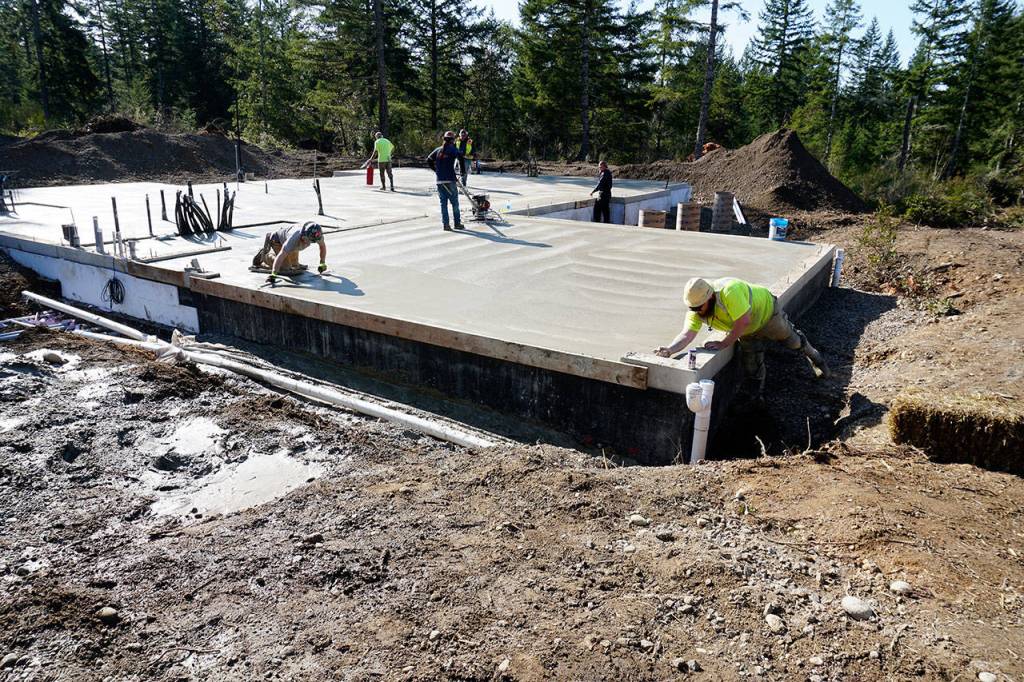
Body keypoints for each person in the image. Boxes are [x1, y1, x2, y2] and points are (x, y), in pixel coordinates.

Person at [654, 277, 830, 394]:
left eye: (699, 307)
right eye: (693, 308)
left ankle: (815, 357)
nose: (696, 311)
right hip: (747, 330)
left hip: (767, 315)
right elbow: (687, 334)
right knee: (752, 364)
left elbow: (743, 321)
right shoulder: (697, 308)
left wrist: (724, 343)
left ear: (709, 298)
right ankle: (756, 399)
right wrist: (669, 349)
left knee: (792, 341)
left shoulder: (729, 292)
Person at [254, 221, 328, 284]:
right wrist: (273, 274)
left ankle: (291, 261)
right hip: (277, 241)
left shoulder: (317, 235)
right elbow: (281, 255)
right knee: (285, 268)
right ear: (304, 235)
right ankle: (264, 256)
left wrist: (322, 263)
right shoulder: (294, 238)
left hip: (293, 246)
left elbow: (322, 247)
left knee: (295, 267)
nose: (309, 243)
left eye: (311, 241)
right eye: (308, 240)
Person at [426, 131, 465, 231]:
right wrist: (463, 172)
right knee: (455, 203)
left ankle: (446, 225)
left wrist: (436, 170)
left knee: (443, 204)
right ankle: (457, 223)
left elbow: (428, 160)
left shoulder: (438, 150)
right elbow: (460, 157)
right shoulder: (452, 149)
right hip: (450, 180)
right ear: (452, 140)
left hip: (440, 181)